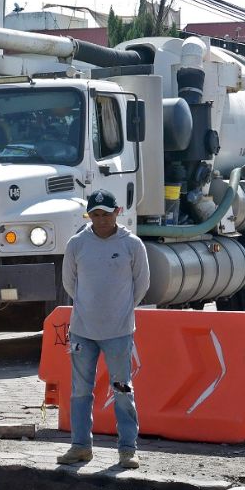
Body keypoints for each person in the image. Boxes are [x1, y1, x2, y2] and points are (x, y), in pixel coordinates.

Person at [57, 189, 150, 469]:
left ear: (117, 212)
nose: (101, 220)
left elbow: (141, 284)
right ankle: (81, 446)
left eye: (106, 214)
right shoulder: (77, 244)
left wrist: (119, 311)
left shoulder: (132, 245)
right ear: (90, 215)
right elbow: (69, 284)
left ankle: (127, 448)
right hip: (82, 331)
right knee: (80, 391)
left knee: (122, 389)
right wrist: (89, 308)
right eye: (95, 215)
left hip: (119, 332)